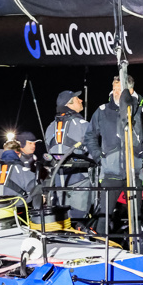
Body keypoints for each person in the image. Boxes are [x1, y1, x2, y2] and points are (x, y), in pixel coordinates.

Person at [85, 75, 143, 237]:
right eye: (114, 89)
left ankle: (137, 251)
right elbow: (90, 136)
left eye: (120, 90)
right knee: (104, 216)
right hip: (110, 173)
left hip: (134, 173)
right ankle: (101, 251)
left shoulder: (140, 112)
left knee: (136, 217)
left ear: (131, 91)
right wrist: (100, 157)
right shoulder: (102, 111)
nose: (115, 93)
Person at [43, 90, 93, 219]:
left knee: (63, 222)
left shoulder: (50, 127)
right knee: (79, 221)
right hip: (80, 181)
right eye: (77, 99)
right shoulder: (83, 125)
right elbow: (95, 153)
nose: (81, 100)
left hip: (58, 182)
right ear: (69, 104)